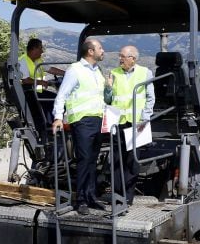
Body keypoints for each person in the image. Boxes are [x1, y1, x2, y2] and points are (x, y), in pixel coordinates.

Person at [52, 38, 107, 215]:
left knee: (92, 160)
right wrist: (58, 117)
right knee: (83, 160)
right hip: (82, 120)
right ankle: (80, 200)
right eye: (100, 48)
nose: (103, 51)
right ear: (90, 52)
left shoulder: (97, 70)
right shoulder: (75, 70)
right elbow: (62, 94)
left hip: (97, 119)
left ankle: (91, 196)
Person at [104, 45, 155, 206]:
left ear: (133, 58)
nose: (120, 59)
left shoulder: (145, 73)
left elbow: (150, 98)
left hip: (137, 123)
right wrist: (108, 87)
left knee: (132, 161)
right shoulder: (114, 73)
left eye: (123, 56)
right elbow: (107, 100)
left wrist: (145, 118)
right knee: (117, 160)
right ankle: (117, 195)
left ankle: (128, 197)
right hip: (118, 122)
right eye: (120, 56)